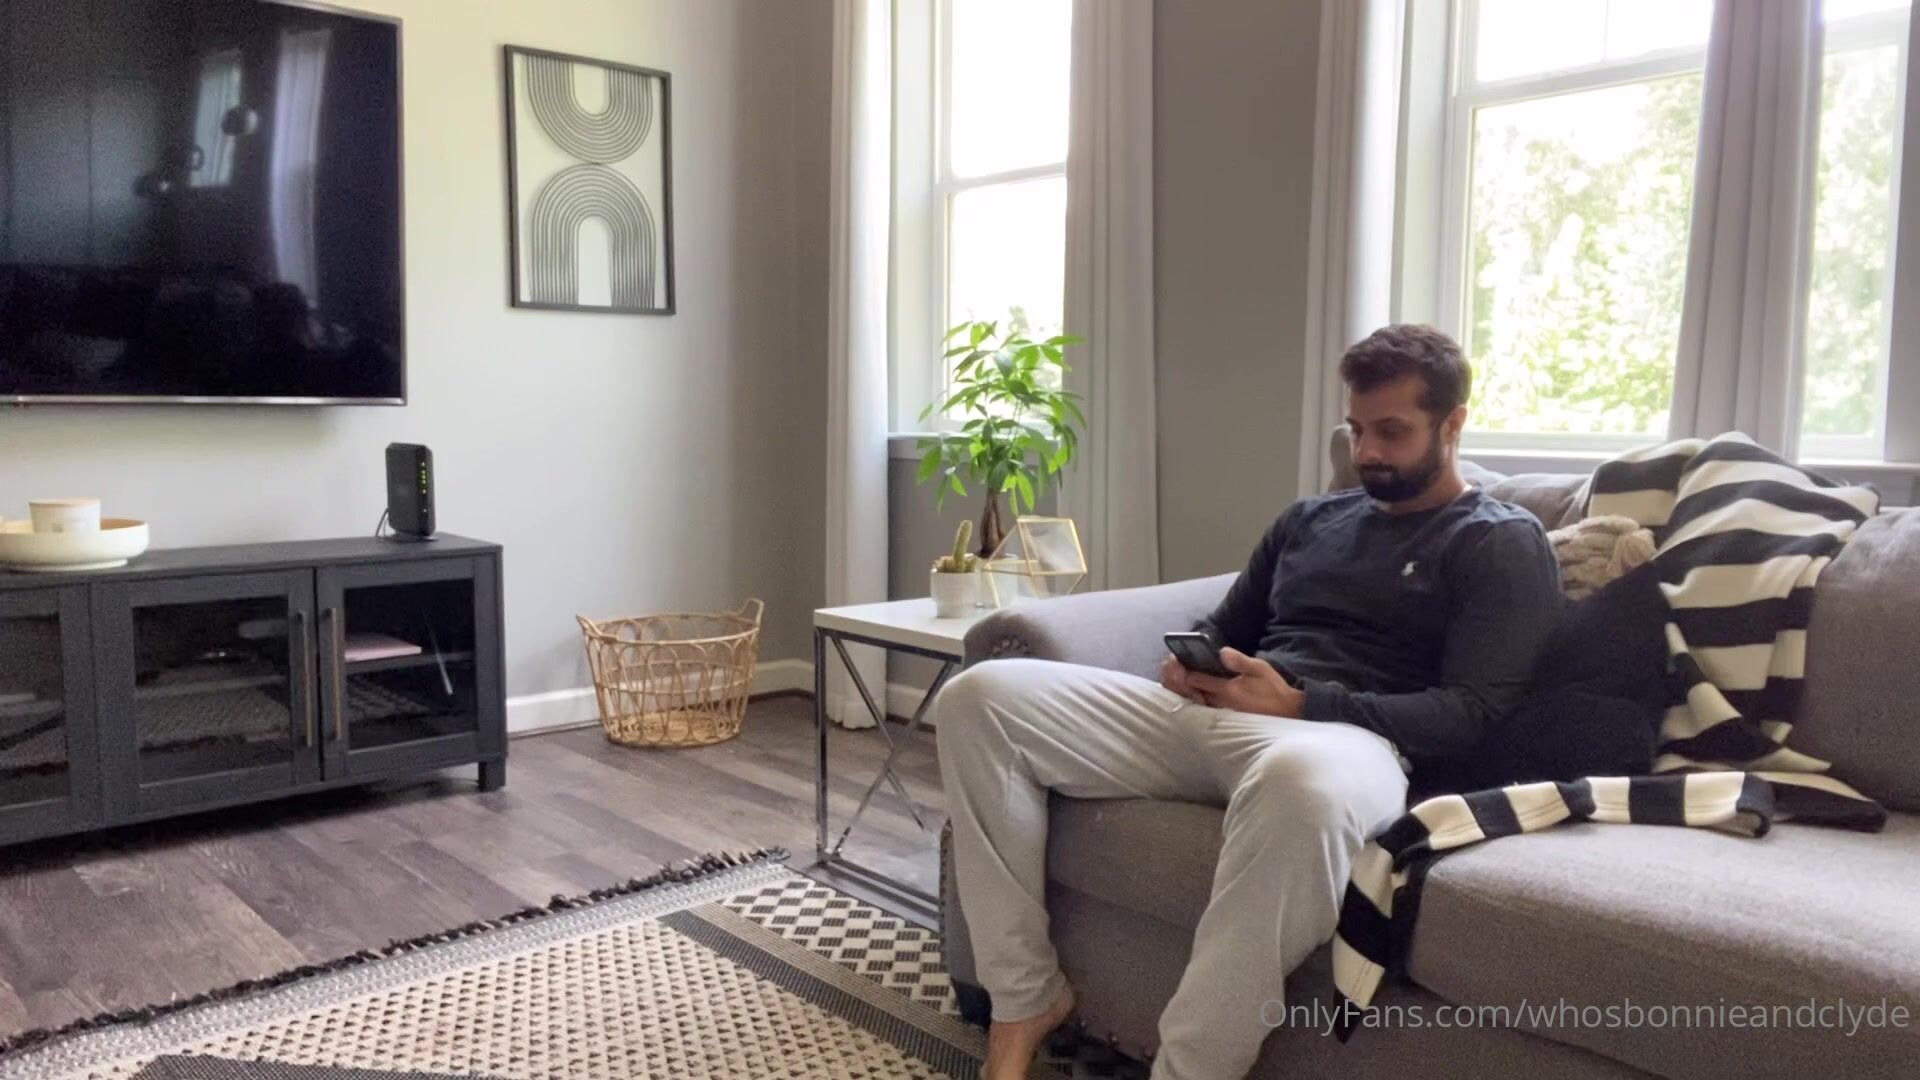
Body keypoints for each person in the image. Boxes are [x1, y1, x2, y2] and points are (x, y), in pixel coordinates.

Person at [935, 324, 1565, 1080]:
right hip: (1220, 720)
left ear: (1453, 424)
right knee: (980, 697)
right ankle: (1023, 999)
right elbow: (1223, 627)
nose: (1367, 452)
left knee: (1302, 785)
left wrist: (1301, 704)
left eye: (1392, 432)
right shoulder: (1310, 521)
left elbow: (1473, 715)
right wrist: (1190, 664)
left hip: (1342, 743)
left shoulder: (1499, 541)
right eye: (1357, 429)